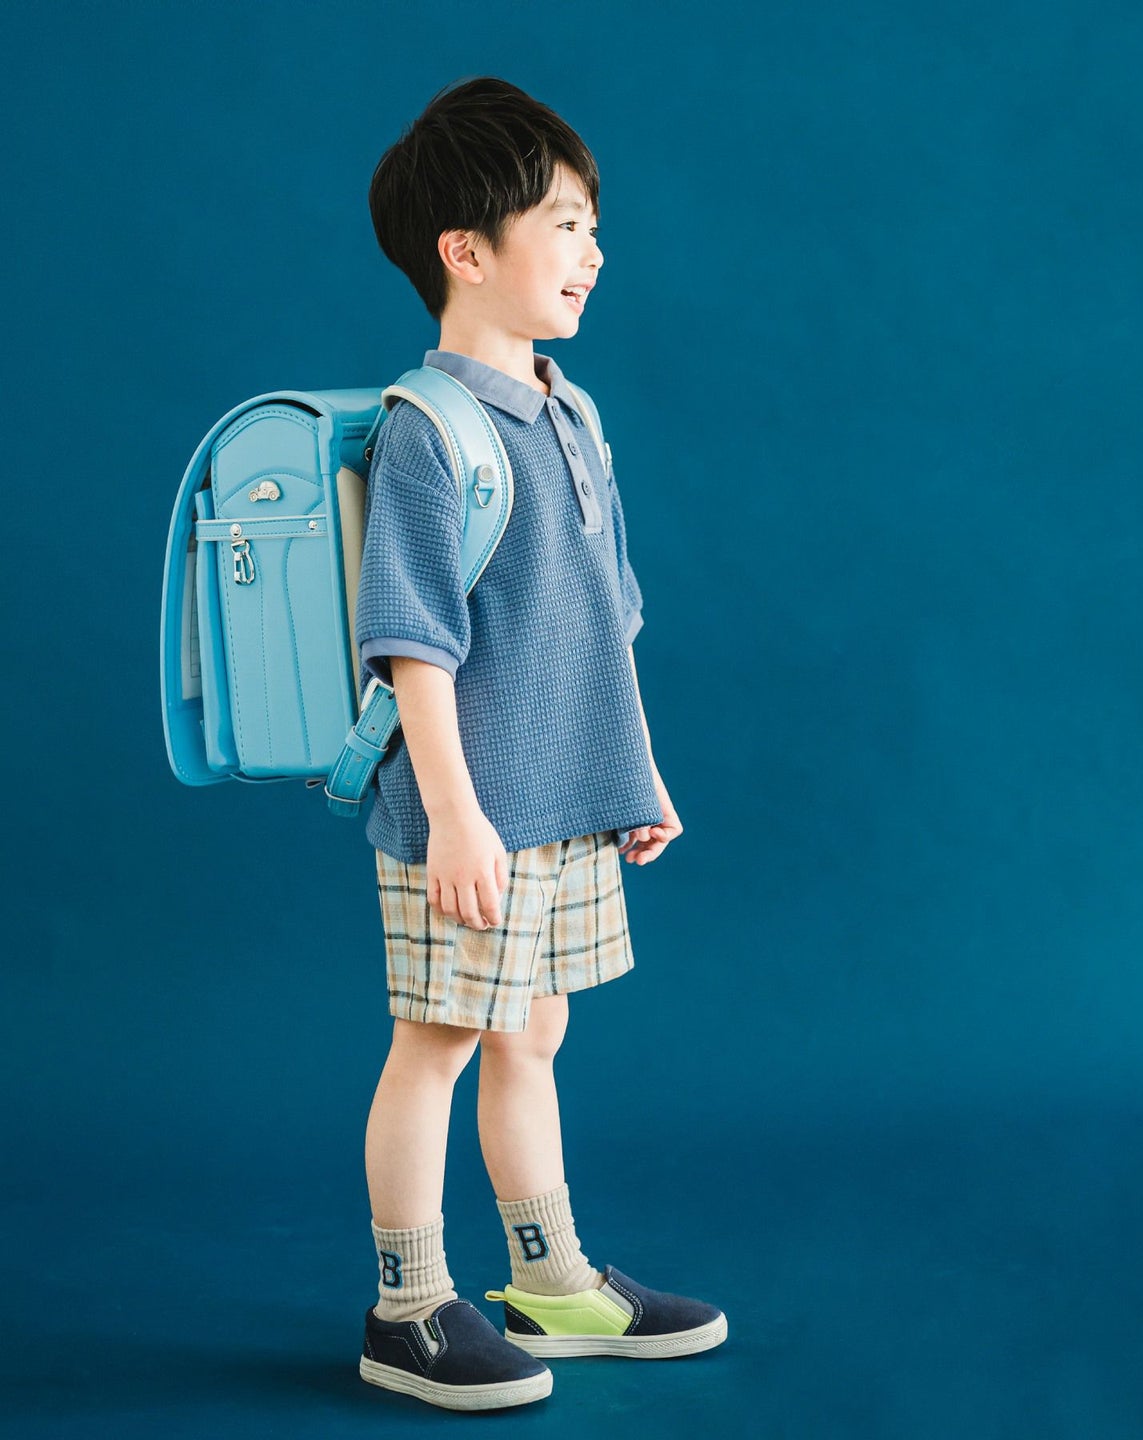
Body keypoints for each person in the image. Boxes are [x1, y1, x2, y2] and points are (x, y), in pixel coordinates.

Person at [354, 76, 726, 1412]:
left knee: (534, 1034)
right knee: (440, 1040)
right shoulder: (427, 430)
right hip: (470, 816)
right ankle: (408, 1308)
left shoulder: (572, 413)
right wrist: (456, 817)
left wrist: (639, 772)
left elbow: (606, 621)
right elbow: (412, 643)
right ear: (465, 250)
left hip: (568, 807)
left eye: (591, 227)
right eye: (564, 225)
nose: (593, 252)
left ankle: (549, 1280)